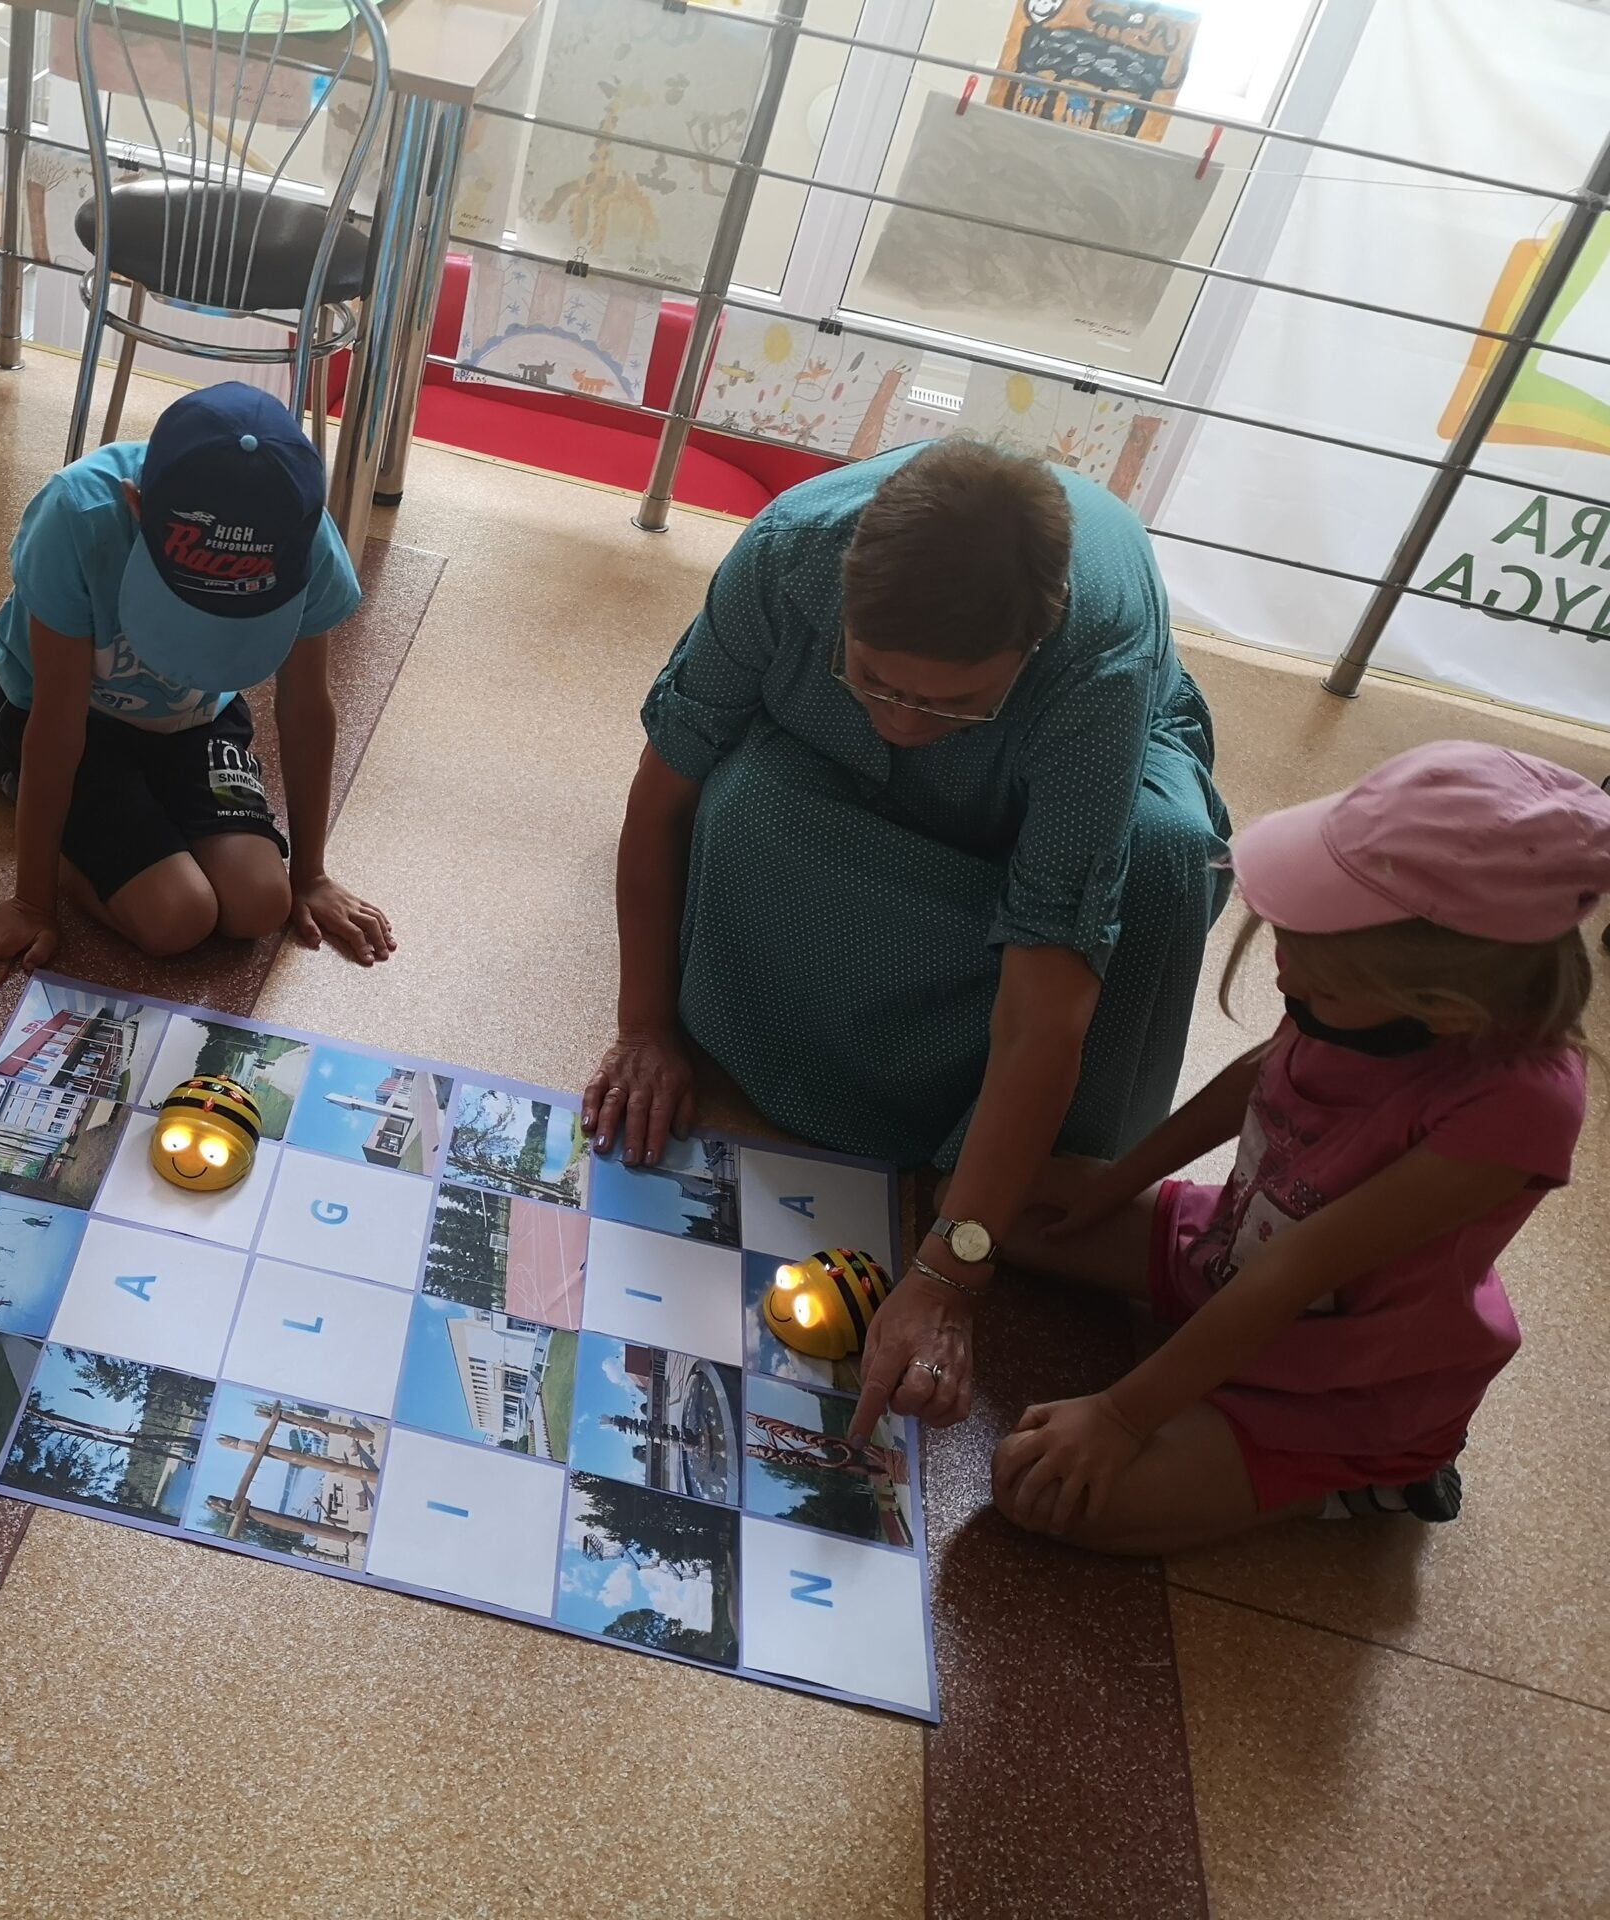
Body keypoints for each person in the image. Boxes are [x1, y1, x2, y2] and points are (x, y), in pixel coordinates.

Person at [584, 438, 1230, 1438]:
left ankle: (997, 1169)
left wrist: (950, 1274)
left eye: (954, 702)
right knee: (746, 802)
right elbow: (665, 787)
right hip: (823, 756)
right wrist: (644, 1025)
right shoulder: (788, 555)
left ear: (1032, 649)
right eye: (877, 679)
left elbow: (1048, 1007)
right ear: (842, 607)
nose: (905, 723)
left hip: (1057, 782)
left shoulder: (1094, 667)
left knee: (1160, 857)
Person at [989, 741, 1603, 1554]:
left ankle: (1375, 1478)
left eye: (1318, 985)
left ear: (1447, 1007)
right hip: (1234, 1249)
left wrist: (1119, 1415)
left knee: (1042, 1493)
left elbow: (1298, 1273)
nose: (1285, 979)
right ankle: (1206, 1363)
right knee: (1007, 1204)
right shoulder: (1367, 994)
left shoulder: (1520, 1106)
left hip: (1350, 1380)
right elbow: (1260, 1073)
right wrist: (1114, 1184)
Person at [0, 382, 394, 975]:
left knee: (261, 903)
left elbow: (305, 707)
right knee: (177, 916)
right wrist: (33, 902)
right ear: (136, 504)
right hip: (79, 719)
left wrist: (311, 875)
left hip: (197, 717)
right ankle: (26, 789)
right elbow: (57, 723)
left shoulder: (303, 537)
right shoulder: (75, 515)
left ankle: (141, 820)